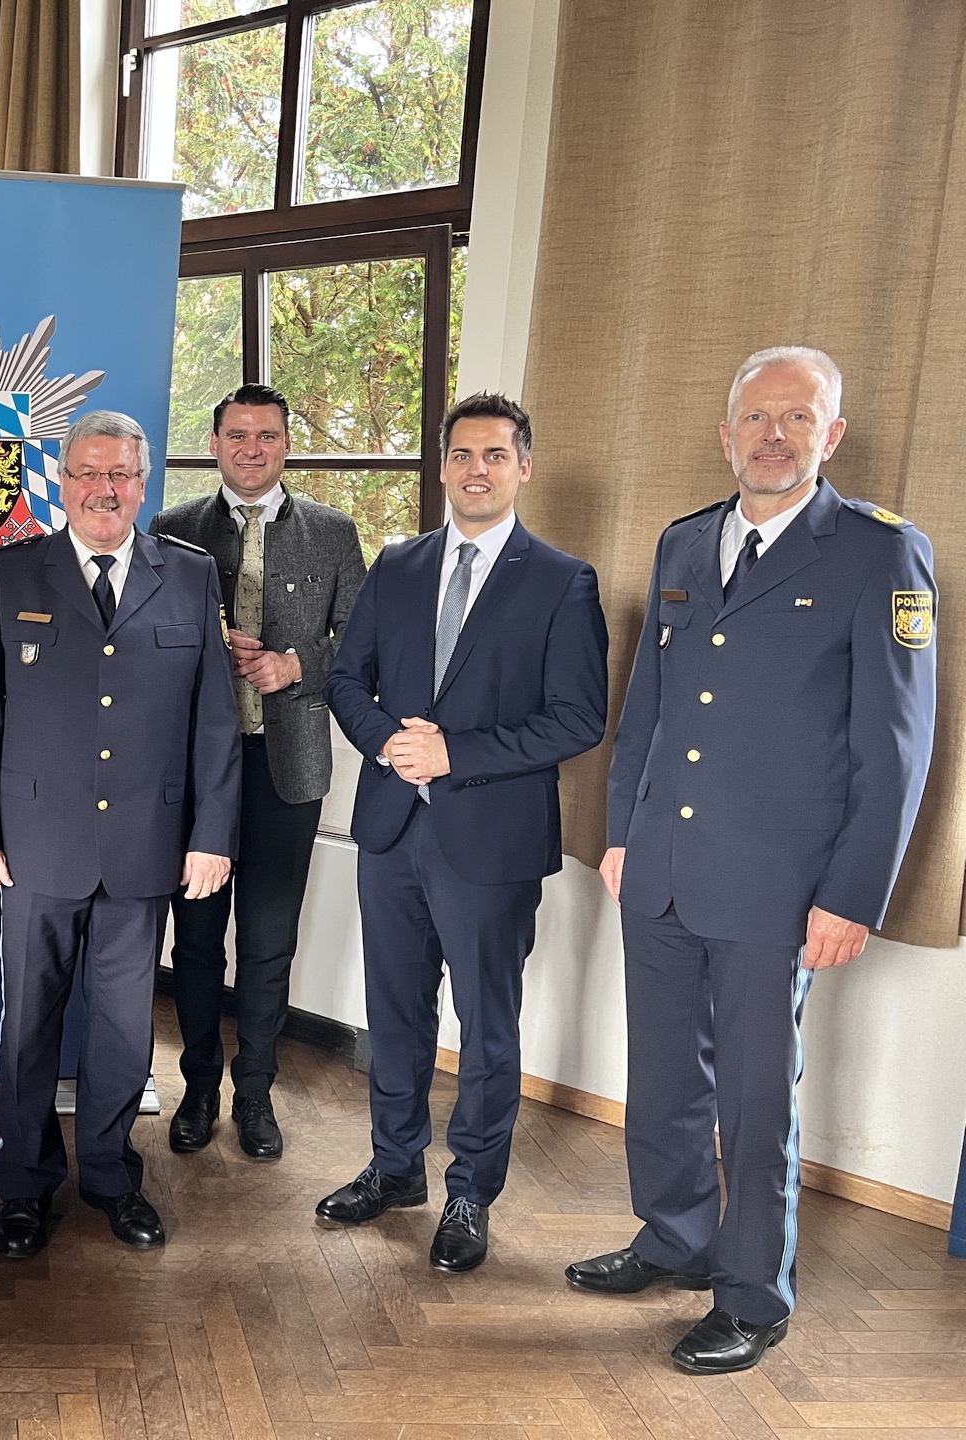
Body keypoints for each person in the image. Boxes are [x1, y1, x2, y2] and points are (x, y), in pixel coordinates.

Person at [569, 347, 937, 1375]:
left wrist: (852, 894)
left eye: (798, 417)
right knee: (661, 1078)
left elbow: (896, 748)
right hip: (665, 868)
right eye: (757, 417)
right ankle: (675, 1240)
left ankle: (754, 1294)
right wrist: (624, 836)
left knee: (755, 1096)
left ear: (833, 436)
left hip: (780, 885)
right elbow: (644, 708)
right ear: (728, 433)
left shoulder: (879, 555)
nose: (774, 435)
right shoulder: (686, 543)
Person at [319, 393, 607, 1274]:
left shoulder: (562, 580)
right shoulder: (398, 564)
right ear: (442, 467)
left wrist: (453, 754)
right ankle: (395, 1167)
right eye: (460, 455)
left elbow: (578, 719)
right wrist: (393, 748)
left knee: (487, 1024)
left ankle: (472, 1190)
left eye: (494, 454)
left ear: (523, 466)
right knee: (394, 1011)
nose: (475, 469)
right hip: (392, 826)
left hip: (489, 839)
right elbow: (344, 679)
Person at [0, 409, 241, 1259]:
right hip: (35, 843)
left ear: (142, 485)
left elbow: (214, 723)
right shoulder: (14, 574)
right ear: (61, 480)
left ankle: (112, 1175)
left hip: (147, 847)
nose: (104, 490)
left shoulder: (188, 577)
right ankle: (24, 1185)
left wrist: (211, 834)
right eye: (87, 473)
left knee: (122, 1029)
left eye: (121, 475)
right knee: (29, 1023)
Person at [149, 383, 366, 1161]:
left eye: (267, 435)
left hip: (289, 770)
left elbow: (364, 646)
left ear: (285, 445)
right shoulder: (172, 532)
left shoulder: (334, 534)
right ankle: (199, 1087)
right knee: (198, 942)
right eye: (237, 434)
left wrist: (293, 665)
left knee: (269, 942)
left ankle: (256, 1093)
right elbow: (147, 646)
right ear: (214, 443)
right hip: (196, 772)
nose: (252, 448)